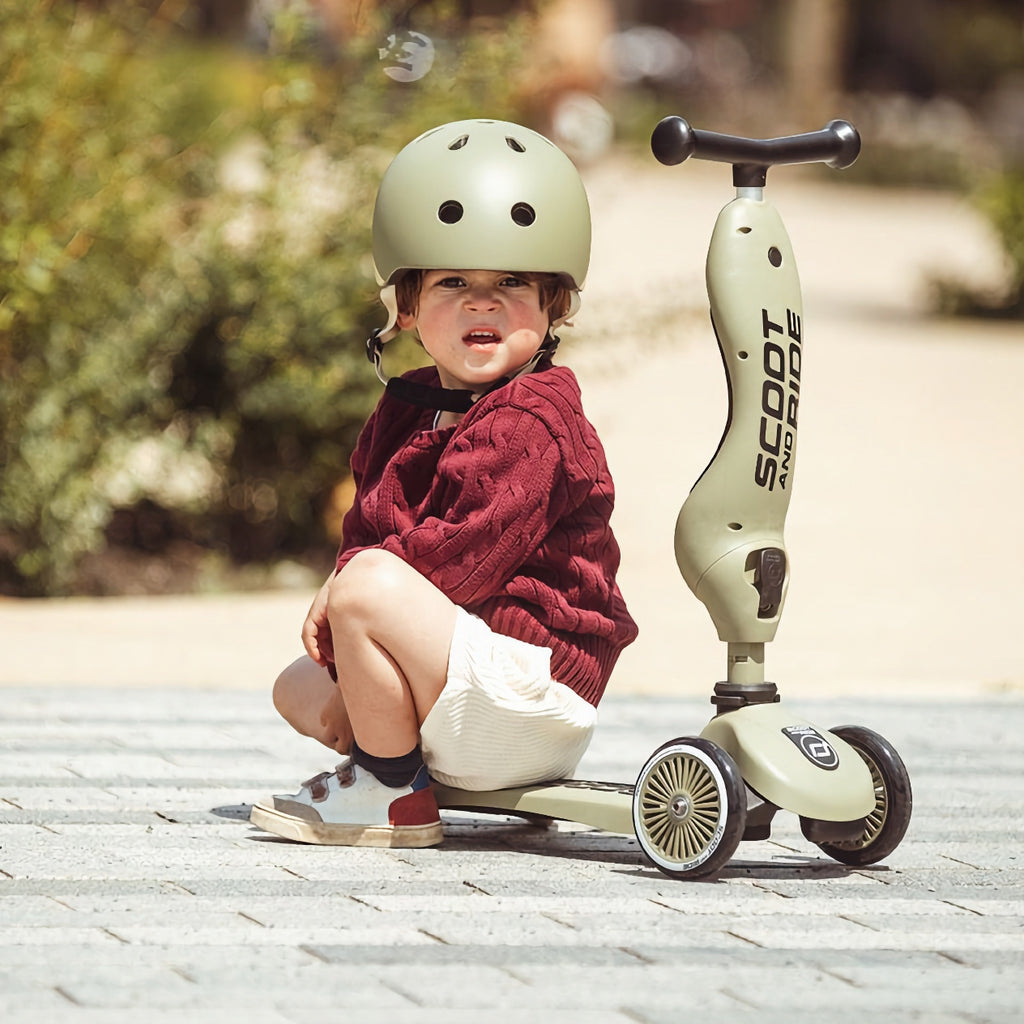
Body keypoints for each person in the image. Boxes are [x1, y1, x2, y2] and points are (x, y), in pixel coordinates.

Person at [250, 118, 637, 848]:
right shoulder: (409, 407)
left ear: (554, 305)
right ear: (406, 308)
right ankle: (403, 761)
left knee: (367, 585)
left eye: (511, 283)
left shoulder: (533, 418)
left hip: (531, 692)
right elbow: (366, 528)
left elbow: (459, 560)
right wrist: (350, 594)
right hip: (467, 676)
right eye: (453, 281)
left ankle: (392, 792)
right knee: (299, 686)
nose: (481, 302)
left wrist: (350, 589)